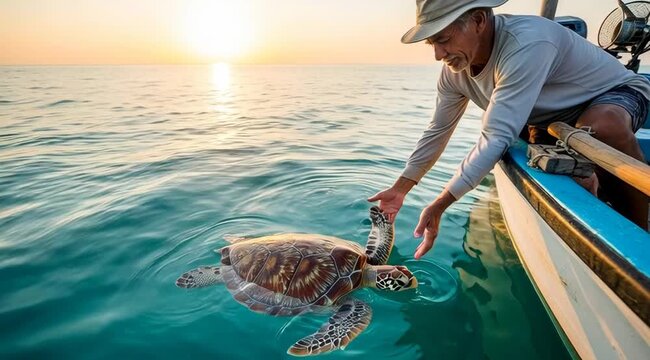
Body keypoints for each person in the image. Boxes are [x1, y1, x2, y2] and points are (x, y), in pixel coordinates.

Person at [368, 0, 650, 259]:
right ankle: (593, 185)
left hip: (616, 94)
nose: (438, 54)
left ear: (479, 20)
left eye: (443, 39)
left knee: (604, 125)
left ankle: (639, 240)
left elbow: (496, 135)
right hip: (549, 118)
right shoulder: (454, 73)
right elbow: (438, 130)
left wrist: (441, 203)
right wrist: (401, 188)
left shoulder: (527, 42)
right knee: (534, 152)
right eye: (432, 43)